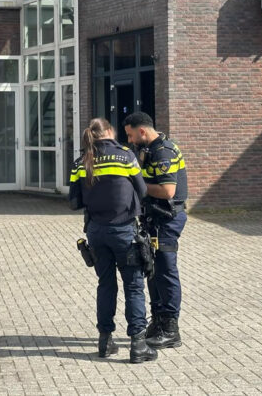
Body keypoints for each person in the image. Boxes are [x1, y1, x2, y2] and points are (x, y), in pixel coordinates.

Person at [69, 117, 157, 363]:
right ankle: (138, 345)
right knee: (133, 286)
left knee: (106, 285)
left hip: (96, 232)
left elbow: (74, 202)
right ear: (109, 131)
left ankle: (105, 341)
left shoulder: (81, 162)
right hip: (124, 231)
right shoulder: (126, 156)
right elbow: (142, 190)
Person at [122, 111, 188, 350]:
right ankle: (158, 322)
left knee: (166, 271)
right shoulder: (150, 149)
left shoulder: (163, 151)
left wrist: (136, 184)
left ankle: (170, 329)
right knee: (153, 270)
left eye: (131, 135)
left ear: (142, 131)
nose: (129, 140)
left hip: (167, 220)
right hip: (154, 220)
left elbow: (168, 191)